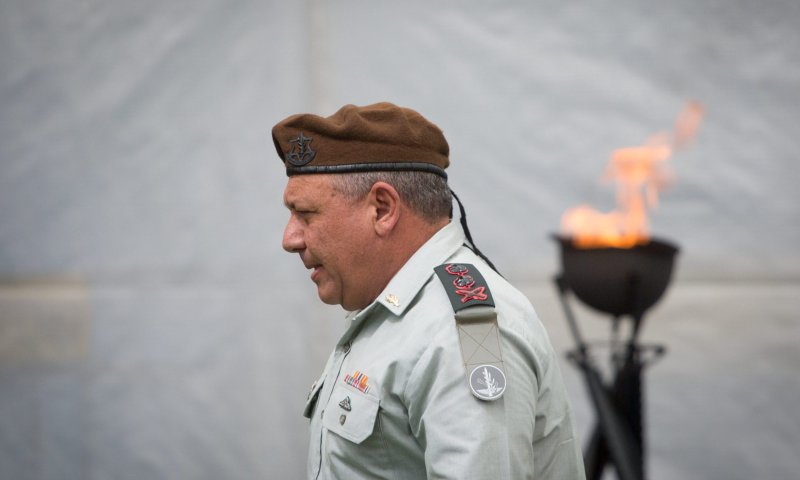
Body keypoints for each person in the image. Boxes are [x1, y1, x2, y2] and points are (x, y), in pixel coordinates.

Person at [273, 102, 585, 479]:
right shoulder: (402, 313)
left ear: (383, 209)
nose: (290, 239)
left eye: (306, 214)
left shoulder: (457, 332)